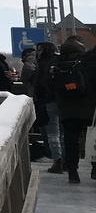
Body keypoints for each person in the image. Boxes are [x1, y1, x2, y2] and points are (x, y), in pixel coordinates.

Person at [51, 37, 96, 183]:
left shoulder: (56, 62)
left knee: (71, 140)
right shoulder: (87, 61)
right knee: (92, 137)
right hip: (88, 107)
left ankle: (72, 171)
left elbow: (48, 84)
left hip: (66, 109)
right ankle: (94, 167)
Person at [36, 41, 64, 172]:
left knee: (53, 131)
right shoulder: (60, 61)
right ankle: (67, 160)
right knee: (64, 132)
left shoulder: (43, 64)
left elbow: (40, 85)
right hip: (64, 100)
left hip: (49, 100)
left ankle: (57, 160)